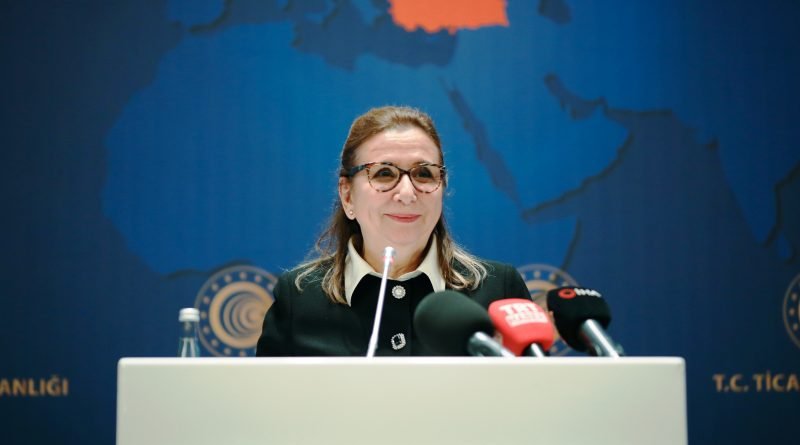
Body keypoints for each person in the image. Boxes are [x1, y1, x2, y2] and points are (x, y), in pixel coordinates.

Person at [256, 106, 530, 356]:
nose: (407, 193)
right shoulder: (299, 300)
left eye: (424, 174)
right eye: (384, 173)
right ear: (347, 195)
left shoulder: (499, 291)